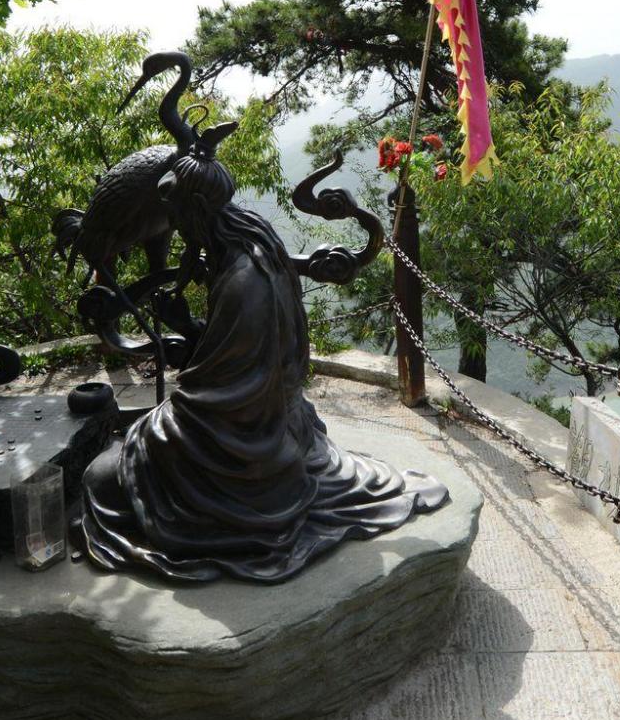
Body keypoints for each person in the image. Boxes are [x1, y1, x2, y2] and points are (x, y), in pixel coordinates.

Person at [78, 140, 448, 583]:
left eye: (174, 214)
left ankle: (223, 514)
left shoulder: (243, 282)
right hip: (270, 425)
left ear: (195, 205)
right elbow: (235, 372)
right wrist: (191, 329)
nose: (171, 228)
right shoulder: (252, 239)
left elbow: (218, 408)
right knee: (113, 464)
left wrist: (148, 432)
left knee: (101, 476)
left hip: (249, 452)